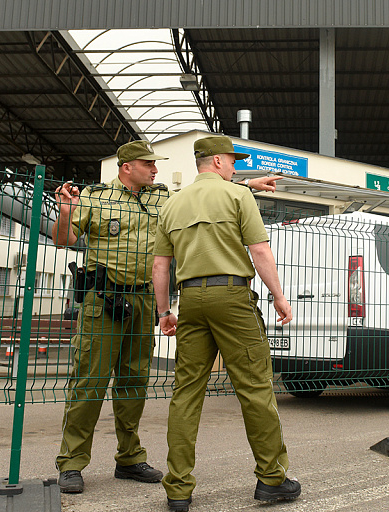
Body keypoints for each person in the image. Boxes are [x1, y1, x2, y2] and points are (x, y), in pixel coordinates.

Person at [52, 139, 280, 494]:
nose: (155, 169)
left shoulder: (163, 199)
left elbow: (204, 195)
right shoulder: (95, 198)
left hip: (142, 300)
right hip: (103, 300)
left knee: (134, 382)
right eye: (148, 163)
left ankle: (128, 457)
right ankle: (72, 461)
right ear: (127, 166)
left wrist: (247, 185)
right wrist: (66, 212)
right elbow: (64, 239)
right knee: (90, 382)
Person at [152, 135, 300, 512]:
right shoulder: (238, 197)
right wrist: (279, 297)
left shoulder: (172, 205)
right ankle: (272, 479)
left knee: (186, 394)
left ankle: (178, 489)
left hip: (190, 301)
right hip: (232, 297)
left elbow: (159, 266)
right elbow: (260, 250)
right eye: (233, 160)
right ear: (217, 161)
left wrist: (164, 310)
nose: (235, 166)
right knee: (254, 388)